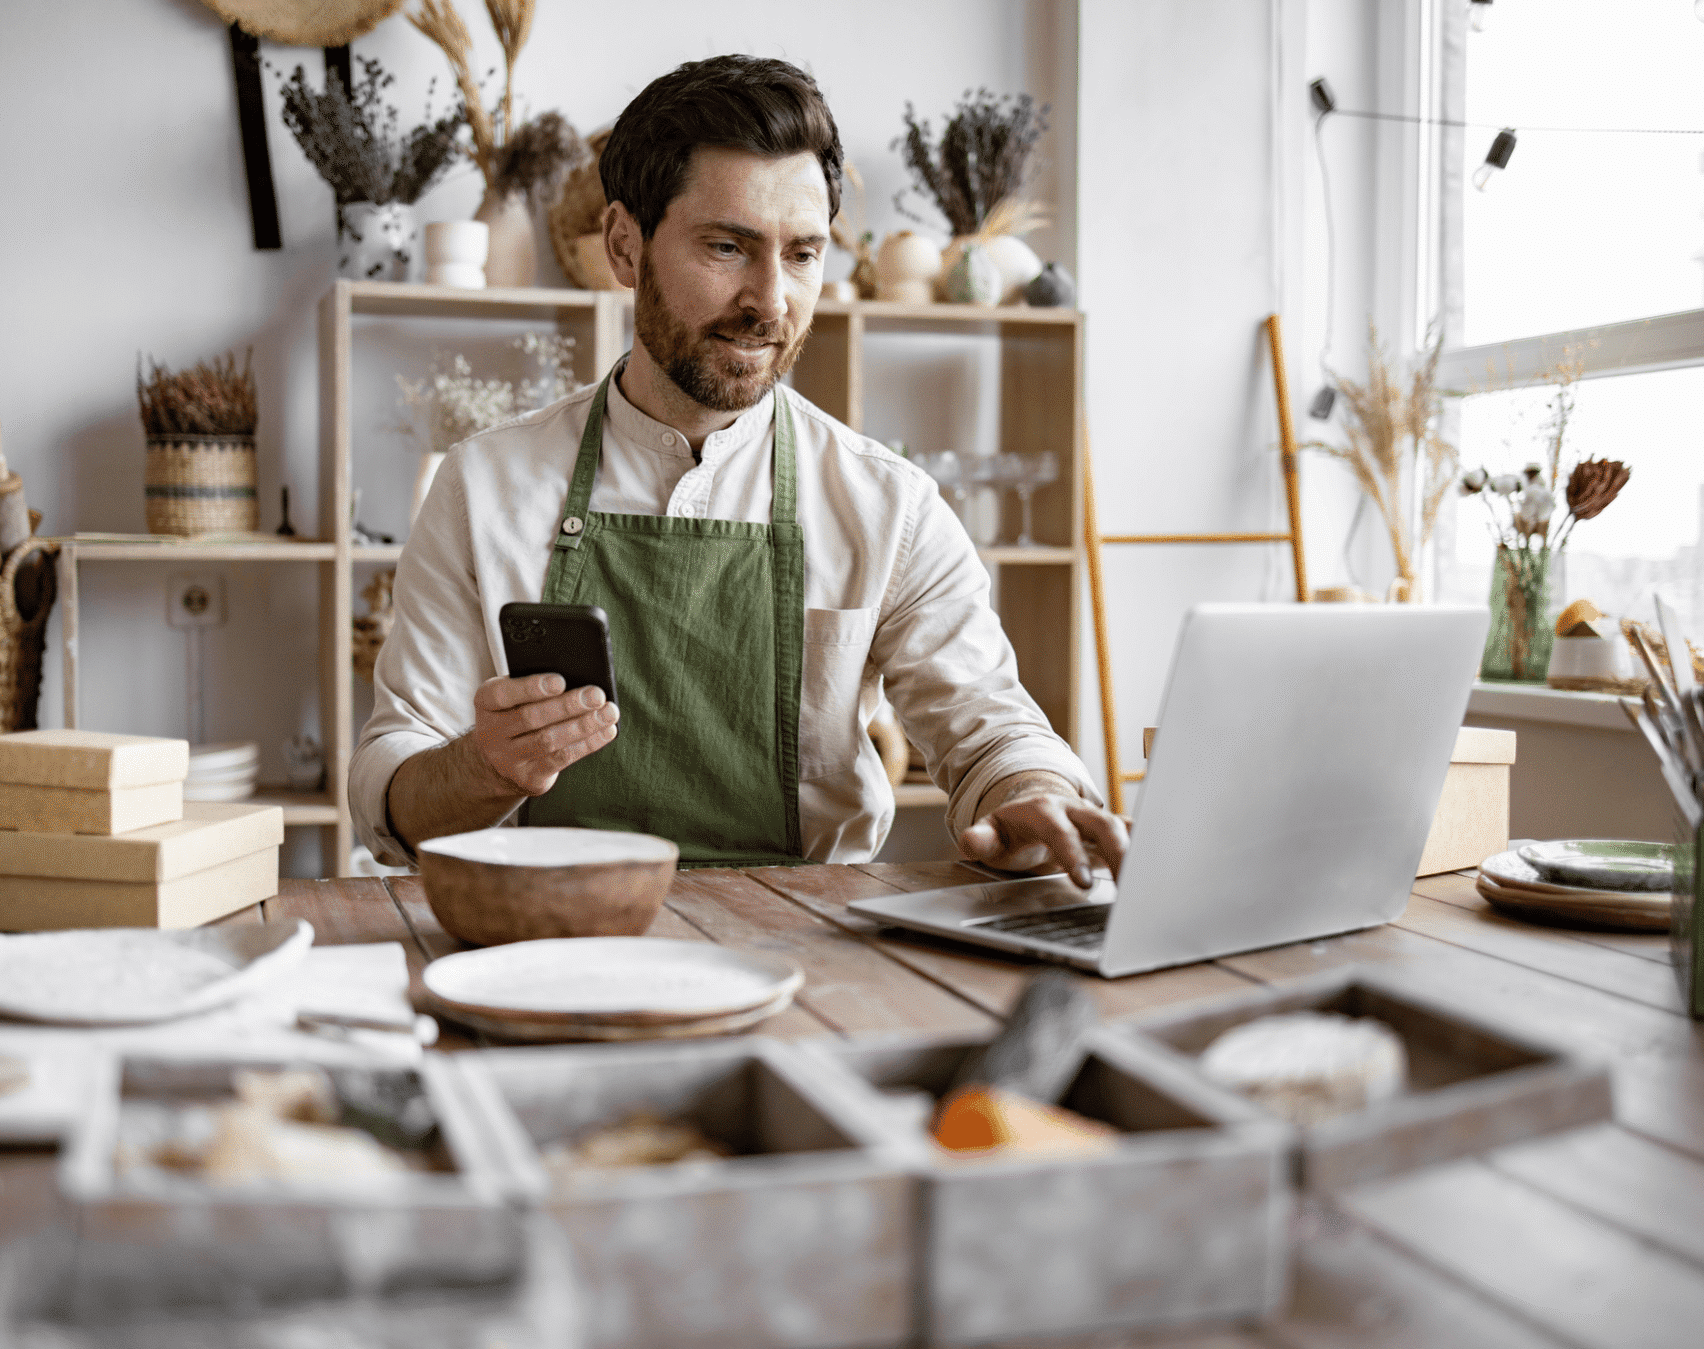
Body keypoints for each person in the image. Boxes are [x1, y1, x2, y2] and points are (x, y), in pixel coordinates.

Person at [351, 54, 1126, 884]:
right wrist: (481, 768)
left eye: (802, 254)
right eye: (728, 246)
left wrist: (1033, 791)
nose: (772, 300)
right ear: (624, 244)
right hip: (550, 935)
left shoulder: (887, 504)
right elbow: (388, 792)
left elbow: (991, 728)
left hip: (812, 951)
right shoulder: (482, 488)